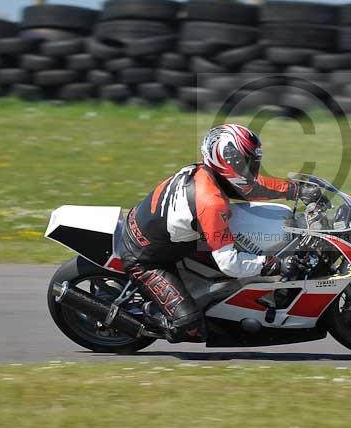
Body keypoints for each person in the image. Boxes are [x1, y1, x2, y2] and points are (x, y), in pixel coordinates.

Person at [116, 123, 322, 343]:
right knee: (190, 327)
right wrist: (276, 265)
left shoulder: (210, 173)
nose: (251, 168)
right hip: (146, 258)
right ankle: (150, 312)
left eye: (252, 161)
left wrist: (296, 190)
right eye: (245, 162)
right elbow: (229, 264)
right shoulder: (211, 202)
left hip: (172, 237)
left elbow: (251, 187)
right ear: (227, 161)